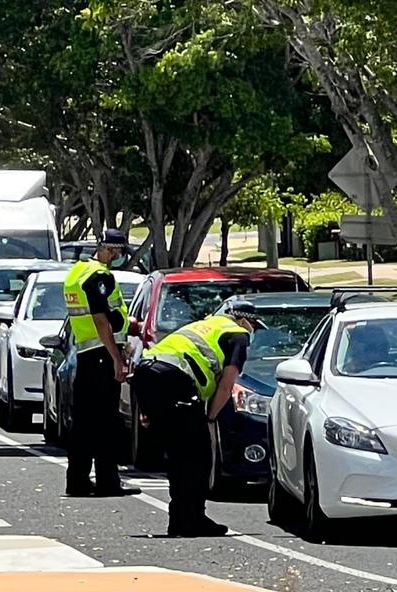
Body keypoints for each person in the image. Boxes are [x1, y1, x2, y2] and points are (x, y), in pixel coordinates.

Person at [130, 296, 257, 536]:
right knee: (197, 455)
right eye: (254, 325)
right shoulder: (237, 334)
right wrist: (209, 417)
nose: (253, 332)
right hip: (173, 381)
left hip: (147, 374)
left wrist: (148, 408)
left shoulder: (203, 325)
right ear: (243, 320)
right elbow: (227, 384)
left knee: (180, 455)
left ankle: (181, 518)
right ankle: (191, 519)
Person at [62, 228, 139, 497]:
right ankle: (108, 481)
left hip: (86, 354)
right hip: (100, 355)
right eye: (118, 251)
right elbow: (100, 319)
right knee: (106, 422)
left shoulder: (77, 272)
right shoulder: (100, 277)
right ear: (111, 249)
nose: (119, 256)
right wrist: (117, 357)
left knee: (83, 421)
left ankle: (78, 480)